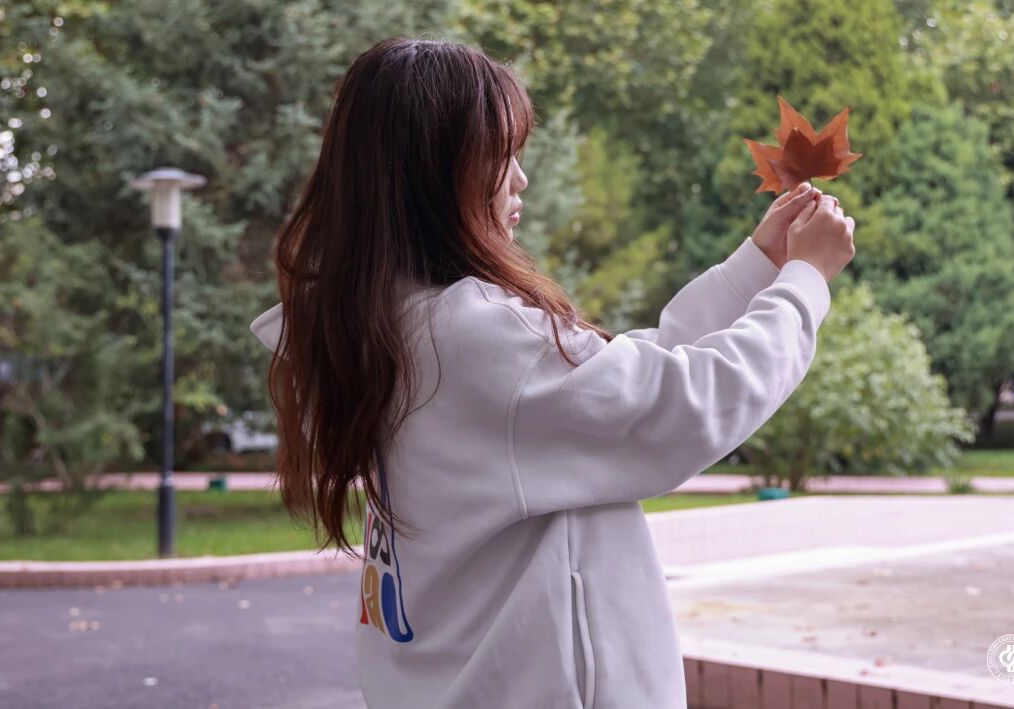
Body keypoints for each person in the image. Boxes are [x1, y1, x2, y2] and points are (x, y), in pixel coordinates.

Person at [249, 36, 855, 709]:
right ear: (436, 174)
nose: (520, 179)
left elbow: (616, 389)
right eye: (500, 155)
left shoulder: (381, 329)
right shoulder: (473, 336)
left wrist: (759, 265)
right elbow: (683, 407)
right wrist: (805, 281)